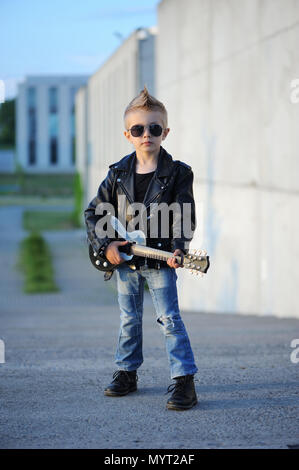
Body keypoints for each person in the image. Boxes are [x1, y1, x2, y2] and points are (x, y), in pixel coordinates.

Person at [84, 86, 198, 410]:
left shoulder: (178, 173)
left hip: (161, 261)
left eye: (154, 128)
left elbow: (184, 214)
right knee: (128, 319)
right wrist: (106, 245)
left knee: (169, 319)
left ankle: (184, 381)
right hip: (125, 261)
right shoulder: (117, 173)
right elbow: (93, 212)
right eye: (138, 129)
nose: (146, 134)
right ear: (127, 134)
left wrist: (179, 247)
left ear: (165, 132)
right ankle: (127, 372)